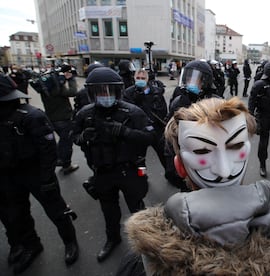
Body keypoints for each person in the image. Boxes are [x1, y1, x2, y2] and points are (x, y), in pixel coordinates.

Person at [119, 97, 270, 276]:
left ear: (179, 167)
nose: (224, 170)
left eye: (234, 146)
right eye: (202, 151)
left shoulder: (147, 261)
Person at [72, 67, 155, 262]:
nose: (105, 95)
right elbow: (73, 136)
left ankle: (146, 242)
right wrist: (83, 137)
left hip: (129, 170)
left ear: (117, 91)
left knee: (137, 207)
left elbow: (151, 137)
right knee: (108, 210)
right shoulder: (85, 114)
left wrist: (126, 132)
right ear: (92, 93)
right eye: (100, 91)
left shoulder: (133, 112)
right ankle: (113, 239)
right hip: (102, 171)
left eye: (109, 90)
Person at [0, 74, 79, 274]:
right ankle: (30, 244)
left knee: (57, 211)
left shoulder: (31, 116)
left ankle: (70, 242)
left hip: (36, 173)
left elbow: (48, 151)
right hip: (8, 174)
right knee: (17, 214)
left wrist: (46, 178)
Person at [164, 60, 219, 191]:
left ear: (205, 81)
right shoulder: (179, 101)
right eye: (188, 78)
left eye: (195, 79)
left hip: (207, 159)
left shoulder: (215, 102)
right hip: (186, 157)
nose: (190, 82)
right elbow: (170, 133)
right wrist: (171, 161)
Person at [30, 63, 79, 174]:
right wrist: (71, 79)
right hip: (64, 118)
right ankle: (65, 164)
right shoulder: (57, 88)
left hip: (51, 118)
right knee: (66, 141)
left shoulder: (45, 88)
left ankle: (58, 158)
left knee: (62, 140)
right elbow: (73, 92)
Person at [123, 68, 168, 174]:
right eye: (138, 78)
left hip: (155, 131)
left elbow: (163, 111)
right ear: (134, 79)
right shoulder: (128, 93)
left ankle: (169, 173)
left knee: (164, 154)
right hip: (139, 131)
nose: (140, 80)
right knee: (139, 159)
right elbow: (127, 112)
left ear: (147, 79)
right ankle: (141, 175)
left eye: (143, 78)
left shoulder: (156, 92)